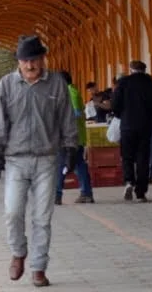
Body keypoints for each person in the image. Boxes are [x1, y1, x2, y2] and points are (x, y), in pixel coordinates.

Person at [0, 34, 79, 288]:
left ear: (43, 59)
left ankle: (38, 267)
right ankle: (18, 252)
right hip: (16, 160)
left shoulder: (57, 84)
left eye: (34, 59)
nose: (30, 65)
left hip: (47, 159)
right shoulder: (6, 85)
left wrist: (71, 146)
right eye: (25, 60)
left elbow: (66, 118)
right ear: (18, 61)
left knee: (42, 218)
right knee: (12, 212)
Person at [111, 59, 152, 202]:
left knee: (127, 156)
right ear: (144, 70)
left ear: (131, 69)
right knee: (143, 158)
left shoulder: (123, 83)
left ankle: (129, 181)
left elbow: (115, 104)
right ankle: (141, 193)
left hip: (127, 125)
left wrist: (121, 115)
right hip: (145, 126)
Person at [55, 71, 93, 205]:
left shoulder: (70, 93)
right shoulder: (71, 92)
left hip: (69, 137)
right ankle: (86, 193)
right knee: (79, 165)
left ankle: (56, 194)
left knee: (60, 164)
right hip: (75, 136)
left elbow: (76, 113)